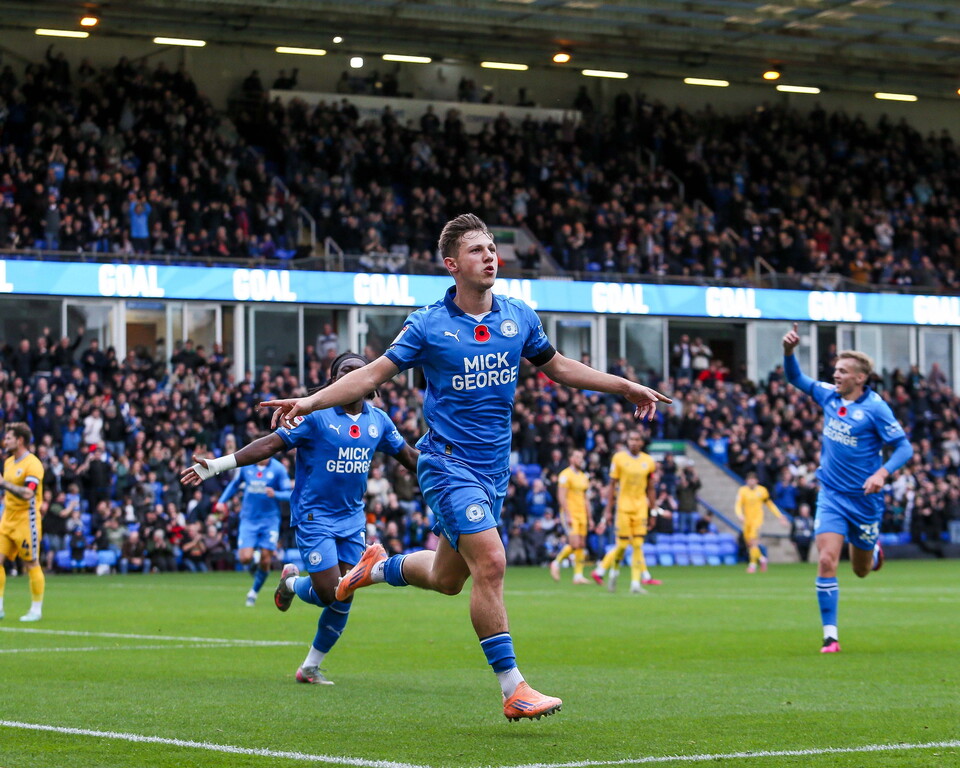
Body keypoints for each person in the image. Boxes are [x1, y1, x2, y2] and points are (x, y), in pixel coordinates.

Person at [260, 213, 670, 719]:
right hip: (447, 465)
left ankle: (374, 569)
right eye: (477, 250)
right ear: (452, 264)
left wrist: (622, 385)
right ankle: (514, 689)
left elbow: (559, 367)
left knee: (446, 578)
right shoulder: (428, 323)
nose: (490, 256)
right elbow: (370, 376)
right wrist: (311, 401)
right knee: (492, 563)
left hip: (493, 470)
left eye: (493, 247)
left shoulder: (519, 316)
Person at [184, 352, 419, 685]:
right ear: (334, 381)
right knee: (328, 592)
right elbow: (269, 445)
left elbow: (409, 457)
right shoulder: (316, 416)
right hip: (315, 516)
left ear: (371, 381)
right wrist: (219, 465)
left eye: (358, 371)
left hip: (352, 519)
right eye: (343, 372)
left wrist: (450, 475)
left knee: (344, 595)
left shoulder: (378, 421)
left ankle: (309, 667)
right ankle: (291, 583)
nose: (350, 376)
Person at [782, 322, 912, 653]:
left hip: (865, 500)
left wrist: (882, 473)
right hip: (832, 495)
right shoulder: (828, 394)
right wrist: (789, 352)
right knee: (826, 559)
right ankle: (830, 636)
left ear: (859, 377)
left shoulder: (876, 408)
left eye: (842, 371)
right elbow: (796, 379)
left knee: (861, 570)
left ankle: (873, 550)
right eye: (835, 370)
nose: (835, 375)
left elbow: (904, 449)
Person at [215, 441, 293, 606]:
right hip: (249, 518)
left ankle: (253, 592)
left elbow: (290, 494)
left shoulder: (278, 469)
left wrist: (276, 494)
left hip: (270, 519)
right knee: (244, 558)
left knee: (266, 560)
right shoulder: (247, 467)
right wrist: (222, 501)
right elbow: (234, 485)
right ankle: (255, 562)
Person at [591, 430, 660, 594]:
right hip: (623, 507)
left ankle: (635, 584)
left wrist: (653, 511)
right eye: (631, 439)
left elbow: (651, 488)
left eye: (637, 439)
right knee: (621, 545)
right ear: (627, 442)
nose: (634, 442)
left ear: (642, 443)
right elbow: (612, 486)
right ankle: (613, 573)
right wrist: (608, 511)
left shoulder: (648, 461)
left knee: (637, 544)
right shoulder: (619, 458)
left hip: (640, 508)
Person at [0, 423, 45, 621]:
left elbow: (28, 493)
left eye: (8, 438)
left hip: (27, 520)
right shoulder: (8, 463)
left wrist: (3, 484)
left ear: (19, 440)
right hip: (7, 518)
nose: (5, 441)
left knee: (30, 563)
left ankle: (36, 609)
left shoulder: (33, 464)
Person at [549, 449, 591, 584]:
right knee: (574, 544)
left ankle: (578, 576)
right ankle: (556, 563)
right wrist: (567, 514)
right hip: (570, 513)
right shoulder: (565, 475)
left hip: (582, 514)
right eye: (577, 457)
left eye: (581, 457)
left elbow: (586, 499)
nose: (580, 459)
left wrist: (590, 517)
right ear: (571, 459)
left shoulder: (584, 476)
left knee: (581, 545)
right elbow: (561, 496)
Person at [735, 472, 788, 573]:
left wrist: (779, 515)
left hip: (757, 520)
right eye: (749, 480)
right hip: (747, 520)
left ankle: (752, 565)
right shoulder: (742, 491)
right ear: (746, 481)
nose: (751, 481)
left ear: (756, 481)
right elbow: (738, 504)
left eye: (753, 479)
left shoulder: (762, 491)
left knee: (753, 541)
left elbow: (769, 504)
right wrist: (739, 515)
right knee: (749, 543)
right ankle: (762, 559)